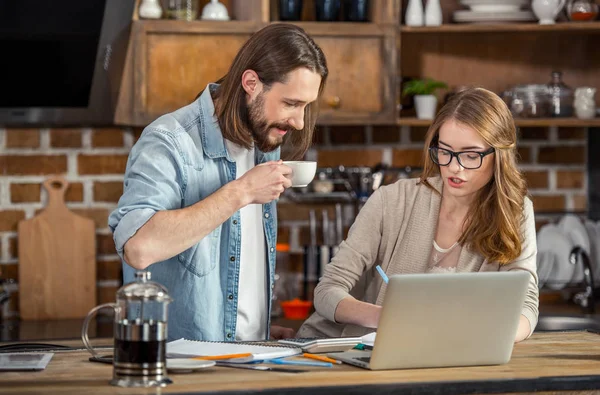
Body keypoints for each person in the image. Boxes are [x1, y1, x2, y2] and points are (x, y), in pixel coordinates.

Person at [108, 23, 328, 342]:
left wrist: (255, 333)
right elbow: (139, 247)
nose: (298, 122)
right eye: (291, 104)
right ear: (251, 83)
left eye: (305, 107)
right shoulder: (169, 142)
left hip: (248, 359)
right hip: (182, 369)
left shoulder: (264, 145)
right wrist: (239, 193)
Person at [297, 87, 539, 343]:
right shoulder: (391, 201)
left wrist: (489, 335)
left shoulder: (515, 211)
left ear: (498, 156)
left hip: (434, 354)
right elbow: (326, 292)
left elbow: (526, 305)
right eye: (445, 151)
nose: (454, 167)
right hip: (336, 350)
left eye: (470, 155)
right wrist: (388, 317)